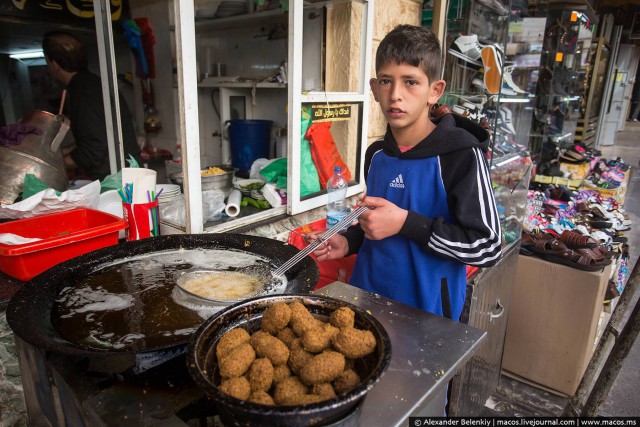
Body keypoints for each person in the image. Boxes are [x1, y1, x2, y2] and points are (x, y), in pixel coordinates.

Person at [310, 25, 502, 322]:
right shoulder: (377, 155)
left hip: (428, 315)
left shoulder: (461, 155)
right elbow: (375, 220)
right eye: (386, 81)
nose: (395, 95)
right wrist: (349, 240)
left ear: (434, 91)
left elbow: (487, 247)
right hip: (366, 303)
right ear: (374, 88)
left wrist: (407, 224)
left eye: (410, 82)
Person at [42, 31, 142, 181]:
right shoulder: (94, 83)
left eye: (47, 60)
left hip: (117, 182)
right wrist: (58, 153)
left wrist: (49, 164)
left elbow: (94, 148)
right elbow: (98, 136)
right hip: (126, 174)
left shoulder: (83, 92)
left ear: (54, 63)